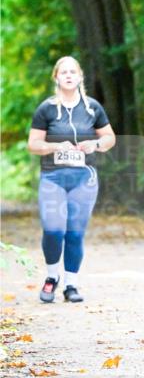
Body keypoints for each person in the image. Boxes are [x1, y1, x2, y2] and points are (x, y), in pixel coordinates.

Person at [27, 56, 116, 303]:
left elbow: (110, 138)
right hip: (53, 177)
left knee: (75, 233)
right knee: (53, 229)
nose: (68, 75)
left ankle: (71, 284)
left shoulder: (92, 108)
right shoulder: (46, 108)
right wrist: (54, 148)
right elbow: (33, 145)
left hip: (83, 179)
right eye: (63, 72)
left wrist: (95, 144)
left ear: (80, 77)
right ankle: (52, 276)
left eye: (72, 72)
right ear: (56, 77)